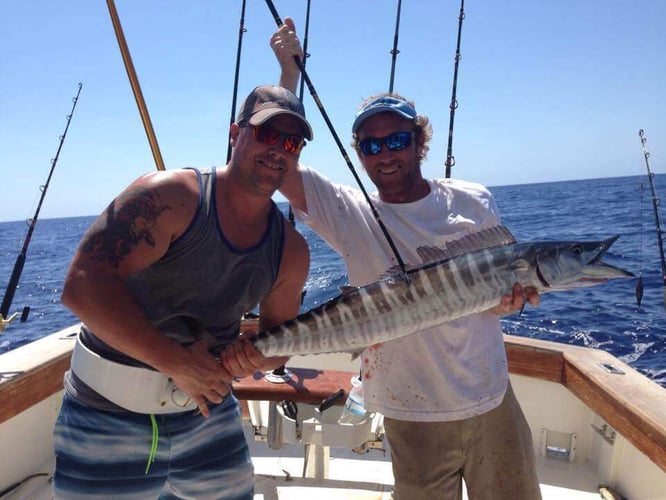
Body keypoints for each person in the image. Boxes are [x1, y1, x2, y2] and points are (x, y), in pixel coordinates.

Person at [271, 19, 542, 500]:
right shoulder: (346, 211)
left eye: (396, 140)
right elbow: (273, 158)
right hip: (409, 412)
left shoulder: (473, 202)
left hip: (490, 400)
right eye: (370, 146)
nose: (384, 155)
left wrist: (513, 301)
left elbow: (506, 291)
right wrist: (288, 76)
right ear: (359, 154)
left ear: (420, 142)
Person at [53, 85, 313, 499]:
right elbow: (82, 284)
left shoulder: (292, 251)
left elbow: (278, 339)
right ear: (235, 132)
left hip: (207, 418)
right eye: (266, 134)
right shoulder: (170, 196)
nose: (277, 149)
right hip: (105, 416)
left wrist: (254, 355)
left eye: (291, 141)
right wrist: (176, 362)